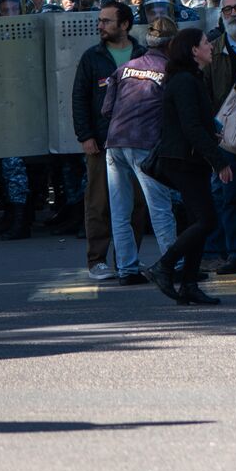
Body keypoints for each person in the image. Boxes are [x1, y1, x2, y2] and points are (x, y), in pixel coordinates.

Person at [143, 29, 232, 306]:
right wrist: (219, 161)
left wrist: (211, 135)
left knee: (199, 221)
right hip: (182, 160)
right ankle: (164, 266)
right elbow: (190, 126)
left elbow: (195, 123)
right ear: (194, 50)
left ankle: (189, 284)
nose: (210, 47)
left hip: (190, 159)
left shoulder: (192, 78)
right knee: (206, 220)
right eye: (206, 43)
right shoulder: (184, 81)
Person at [100, 17, 183, 283]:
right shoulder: (169, 72)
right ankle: (174, 265)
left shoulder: (125, 69)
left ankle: (127, 269)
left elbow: (106, 110)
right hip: (145, 144)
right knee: (159, 208)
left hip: (114, 143)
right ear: (171, 44)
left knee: (120, 210)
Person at [74, 0, 144, 280]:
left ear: (125, 24)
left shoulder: (142, 54)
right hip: (102, 142)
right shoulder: (92, 57)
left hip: (139, 141)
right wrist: (86, 136)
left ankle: (129, 260)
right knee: (99, 202)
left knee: (137, 203)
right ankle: (97, 260)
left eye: (107, 21)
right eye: (100, 20)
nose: (100, 25)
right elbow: (79, 98)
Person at [202, 0, 236, 274]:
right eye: (228, 10)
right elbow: (206, 93)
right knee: (228, 195)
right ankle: (234, 252)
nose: (234, 14)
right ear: (220, 15)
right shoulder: (214, 48)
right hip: (226, 136)